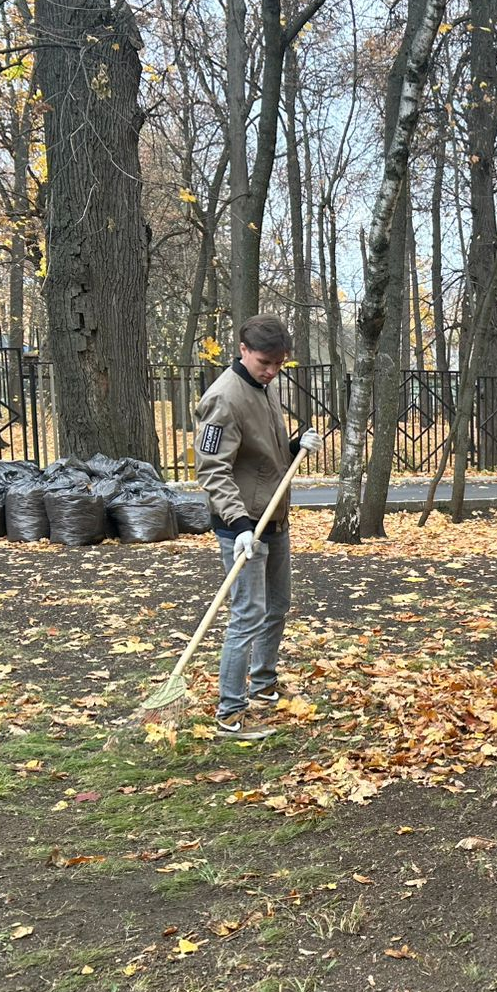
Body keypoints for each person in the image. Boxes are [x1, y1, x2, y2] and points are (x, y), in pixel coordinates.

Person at [195, 314, 322, 738]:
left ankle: (263, 686)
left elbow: (262, 458)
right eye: (264, 362)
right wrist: (239, 523)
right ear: (243, 349)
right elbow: (213, 470)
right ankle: (229, 712)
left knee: (277, 605)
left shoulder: (264, 389)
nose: (271, 370)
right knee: (247, 615)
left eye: (278, 364)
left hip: (274, 518)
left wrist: (292, 447)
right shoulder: (223, 398)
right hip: (243, 526)